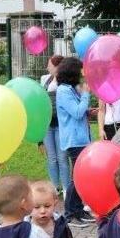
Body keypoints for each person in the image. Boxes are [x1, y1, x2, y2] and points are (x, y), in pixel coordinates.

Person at [55, 57, 94, 227]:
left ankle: (78, 209)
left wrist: (88, 111)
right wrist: (86, 94)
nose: (82, 73)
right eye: (80, 70)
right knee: (77, 177)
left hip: (81, 138)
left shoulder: (70, 89)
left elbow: (78, 112)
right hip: (74, 140)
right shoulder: (64, 91)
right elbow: (77, 113)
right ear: (72, 72)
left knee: (81, 176)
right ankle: (70, 214)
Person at [40, 55, 71, 196]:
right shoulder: (44, 79)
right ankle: (54, 186)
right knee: (51, 157)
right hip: (47, 125)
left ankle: (66, 187)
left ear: (57, 66)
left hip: (61, 125)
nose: (47, 67)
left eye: (50, 65)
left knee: (62, 157)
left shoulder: (66, 82)